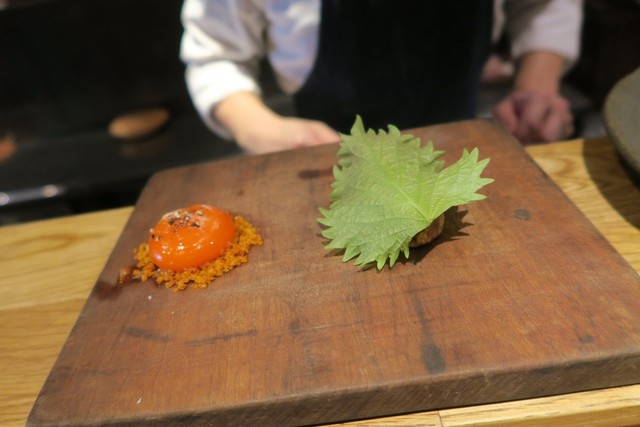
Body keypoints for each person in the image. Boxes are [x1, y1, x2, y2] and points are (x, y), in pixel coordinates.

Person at [180, 0, 583, 154]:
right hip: (323, 158)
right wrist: (259, 129)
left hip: (460, 142)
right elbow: (216, 55)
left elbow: (545, 5)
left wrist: (536, 86)